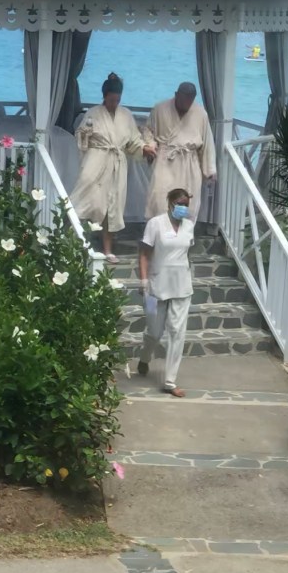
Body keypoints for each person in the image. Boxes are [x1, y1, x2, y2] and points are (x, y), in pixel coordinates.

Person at [70, 73, 156, 263]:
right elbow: (81, 138)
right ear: (104, 96)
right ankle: (76, 244)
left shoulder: (126, 115)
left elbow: (133, 141)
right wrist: (84, 133)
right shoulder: (93, 113)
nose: (114, 103)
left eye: (117, 100)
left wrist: (145, 148)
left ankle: (108, 250)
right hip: (96, 160)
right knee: (87, 201)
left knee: (112, 207)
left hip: (117, 165)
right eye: (111, 100)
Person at [137, 188, 195, 398]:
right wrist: (144, 281)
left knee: (177, 332)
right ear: (169, 203)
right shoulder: (155, 224)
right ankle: (145, 357)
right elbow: (144, 254)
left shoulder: (189, 226)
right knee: (154, 331)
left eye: (186, 204)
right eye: (179, 203)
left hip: (182, 287)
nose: (183, 208)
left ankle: (170, 382)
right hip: (154, 287)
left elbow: (187, 253)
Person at [143, 82, 216, 224]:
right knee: (159, 200)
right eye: (183, 100)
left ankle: (183, 235)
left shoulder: (201, 114)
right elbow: (147, 131)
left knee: (187, 205)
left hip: (189, 163)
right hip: (165, 159)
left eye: (190, 101)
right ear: (176, 95)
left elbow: (207, 143)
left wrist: (210, 169)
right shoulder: (160, 109)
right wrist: (150, 144)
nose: (186, 105)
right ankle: (158, 233)